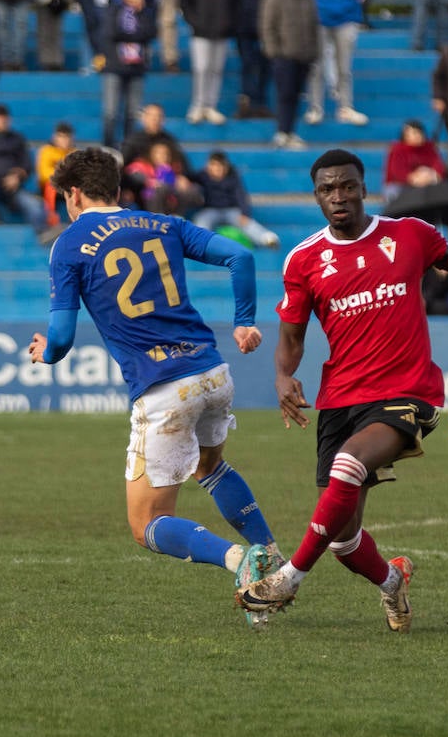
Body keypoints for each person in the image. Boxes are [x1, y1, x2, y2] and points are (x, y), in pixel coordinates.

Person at [234, 148, 448, 630]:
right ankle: (391, 582)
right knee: (342, 538)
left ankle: (290, 578)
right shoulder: (304, 260)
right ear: (317, 197)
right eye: (327, 189)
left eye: (347, 186)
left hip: (406, 389)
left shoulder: (409, 235)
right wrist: (281, 376)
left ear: (364, 187)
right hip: (340, 398)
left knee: (349, 463)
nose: (338, 197)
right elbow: (292, 336)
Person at [27, 147, 284, 624]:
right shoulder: (162, 223)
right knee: (210, 466)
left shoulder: (68, 244)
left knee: (145, 525)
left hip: (163, 388)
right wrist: (244, 322)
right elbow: (240, 256)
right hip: (211, 371)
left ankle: (241, 560)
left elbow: (60, 338)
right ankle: (271, 554)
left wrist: (45, 351)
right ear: (119, 191)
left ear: (74, 194)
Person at [259, 0, 318, 150]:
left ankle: (290, 131)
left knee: (296, 96)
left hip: (304, 56)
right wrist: (274, 52)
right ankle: (282, 132)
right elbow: (267, 27)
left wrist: (312, 52)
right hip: (284, 56)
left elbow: (313, 27)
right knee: (285, 94)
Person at [302, 0, 369, 126]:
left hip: (345, 19)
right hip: (319, 21)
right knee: (316, 67)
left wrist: (353, 10)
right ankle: (316, 108)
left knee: (344, 68)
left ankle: (345, 107)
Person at [100, 0, 157, 148]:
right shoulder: (113, 10)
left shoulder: (146, 12)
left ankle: (128, 149)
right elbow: (111, 33)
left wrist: (140, 12)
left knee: (133, 113)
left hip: (137, 67)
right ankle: (108, 148)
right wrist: (132, 36)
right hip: (115, 66)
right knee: (110, 112)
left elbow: (150, 33)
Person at [181, 0, 238, 125]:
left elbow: (236, 4)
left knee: (216, 70)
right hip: (200, 34)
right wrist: (195, 23)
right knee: (201, 68)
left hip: (221, 35)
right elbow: (186, 2)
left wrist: (228, 25)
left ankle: (211, 105)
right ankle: (198, 105)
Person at [192, 149, 281, 248]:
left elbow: (241, 196)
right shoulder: (202, 175)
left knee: (246, 222)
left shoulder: (233, 177)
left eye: (220, 166)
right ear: (208, 166)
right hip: (210, 210)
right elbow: (189, 178)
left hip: (231, 211)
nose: (217, 169)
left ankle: (266, 238)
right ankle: (200, 243)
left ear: (226, 167)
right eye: (213, 165)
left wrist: (244, 213)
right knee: (202, 220)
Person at [234, 0, 277, 119]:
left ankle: (260, 103)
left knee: (266, 65)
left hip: (267, 24)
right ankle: (247, 102)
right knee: (247, 64)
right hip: (244, 24)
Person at [382, 118, 446, 202]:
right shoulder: (397, 149)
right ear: (404, 136)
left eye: (419, 132)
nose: (417, 136)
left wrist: (431, 176)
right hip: (401, 185)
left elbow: (439, 167)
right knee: (394, 193)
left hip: (427, 182)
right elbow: (397, 172)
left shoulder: (430, 147)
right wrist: (414, 179)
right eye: (413, 133)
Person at [36, 120, 75, 232]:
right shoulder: (47, 151)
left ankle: (75, 219)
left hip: (68, 187)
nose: (64, 140)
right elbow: (44, 173)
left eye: (67, 137)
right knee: (51, 185)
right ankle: (51, 220)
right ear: (55, 137)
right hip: (50, 187)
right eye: (61, 137)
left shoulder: (74, 153)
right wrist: (63, 177)